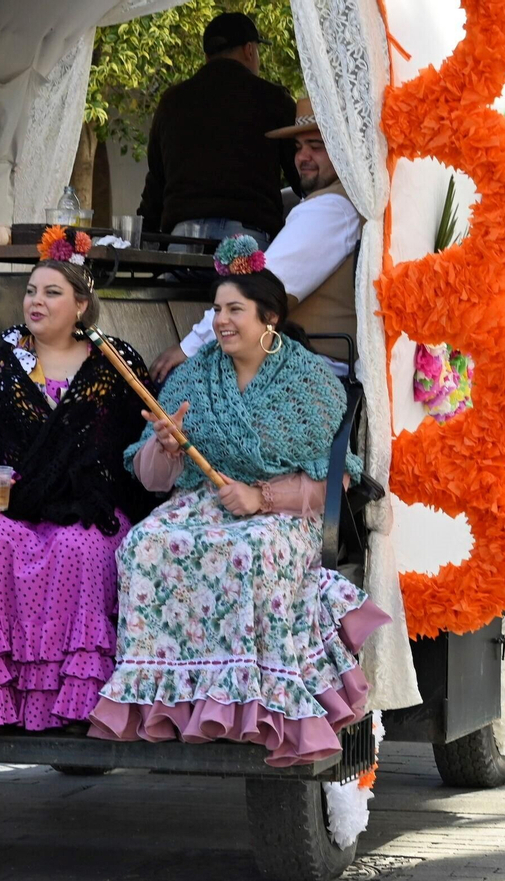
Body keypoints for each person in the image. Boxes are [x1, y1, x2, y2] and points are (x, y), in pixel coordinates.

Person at [88, 244, 389, 766]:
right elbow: (155, 481)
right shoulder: (193, 377)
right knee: (145, 544)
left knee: (251, 550)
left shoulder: (310, 383)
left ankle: (257, 707)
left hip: (284, 514)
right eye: (217, 310)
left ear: (268, 318)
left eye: (234, 310)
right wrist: (165, 445)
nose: (221, 321)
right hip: (204, 502)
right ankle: (174, 706)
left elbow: (334, 480)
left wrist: (261, 496)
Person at [0, 241, 154, 744]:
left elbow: (130, 450)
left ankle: (72, 703)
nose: (36, 301)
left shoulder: (114, 361)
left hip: (84, 504)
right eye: (30, 291)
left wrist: (86, 489)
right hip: (10, 506)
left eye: (52, 292)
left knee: (81, 546)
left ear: (81, 305)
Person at [152, 99, 364, 382]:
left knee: (176, 384)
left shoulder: (330, 208)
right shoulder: (343, 202)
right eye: (299, 148)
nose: (303, 157)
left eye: (316, 146)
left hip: (306, 368)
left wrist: (188, 347)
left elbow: (259, 288)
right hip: (305, 361)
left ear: (343, 150)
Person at [138, 12, 302, 251]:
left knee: (180, 289)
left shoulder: (172, 101)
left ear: (207, 56)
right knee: (244, 290)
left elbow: (156, 182)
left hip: (183, 239)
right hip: (247, 238)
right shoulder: (273, 98)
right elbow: (299, 170)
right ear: (249, 50)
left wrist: (144, 234)